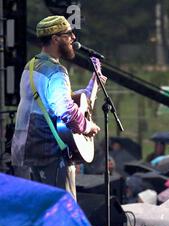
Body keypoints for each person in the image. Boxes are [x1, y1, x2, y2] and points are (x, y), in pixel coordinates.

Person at [11, 16, 106, 199]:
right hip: (48, 152)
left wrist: (90, 89)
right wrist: (87, 127)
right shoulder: (56, 71)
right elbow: (65, 110)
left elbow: (53, 101)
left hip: (25, 151)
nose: (73, 38)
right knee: (62, 213)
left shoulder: (31, 66)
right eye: (68, 34)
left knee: (35, 215)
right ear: (55, 38)